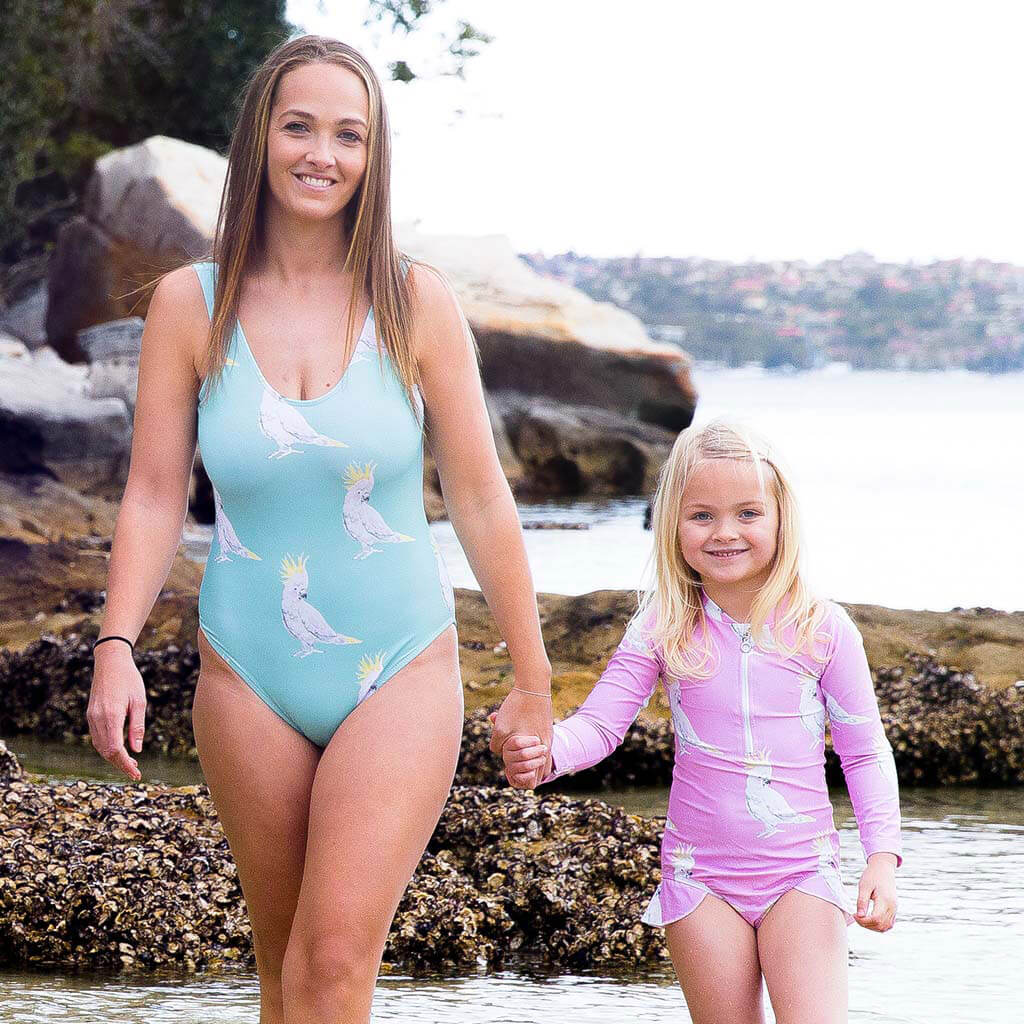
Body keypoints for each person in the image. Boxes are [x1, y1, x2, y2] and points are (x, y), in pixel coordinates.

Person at [87, 34, 553, 1024]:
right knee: (283, 975)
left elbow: (477, 492)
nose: (322, 154)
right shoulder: (189, 305)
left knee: (336, 964)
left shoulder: (413, 300)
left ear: (372, 158)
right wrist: (115, 647)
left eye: (349, 135)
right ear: (260, 137)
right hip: (246, 669)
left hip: (398, 662)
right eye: (299, 126)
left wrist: (532, 675)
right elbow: (155, 491)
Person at [493, 419, 901, 1024]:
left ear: (781, 518)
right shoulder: (662, 625)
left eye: (747, 514)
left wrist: (881, 858)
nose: (725, 532)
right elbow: (602, 725)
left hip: (801, 871)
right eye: (702, 515)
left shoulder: (822, 628)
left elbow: (864, 751)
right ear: (671, 525)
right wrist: (547, 751)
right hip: (698, 876)